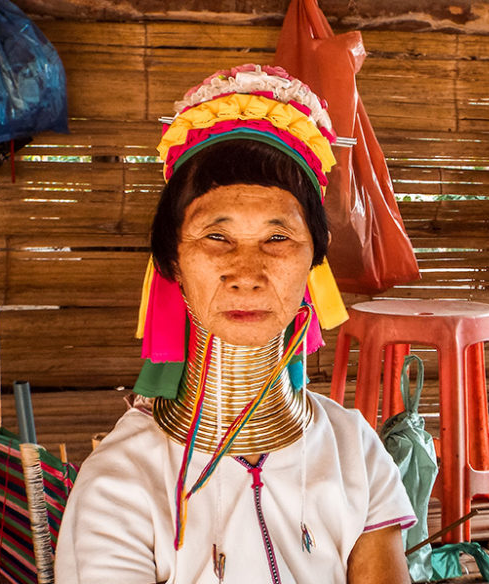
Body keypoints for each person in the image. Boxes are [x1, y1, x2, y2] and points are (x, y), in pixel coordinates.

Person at [54, 65, 416, 584]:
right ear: (172, 263)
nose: (247, 275)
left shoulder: (352, 450)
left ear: (314, 263)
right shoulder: (120, 485)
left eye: (277, 239)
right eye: (216, 238)